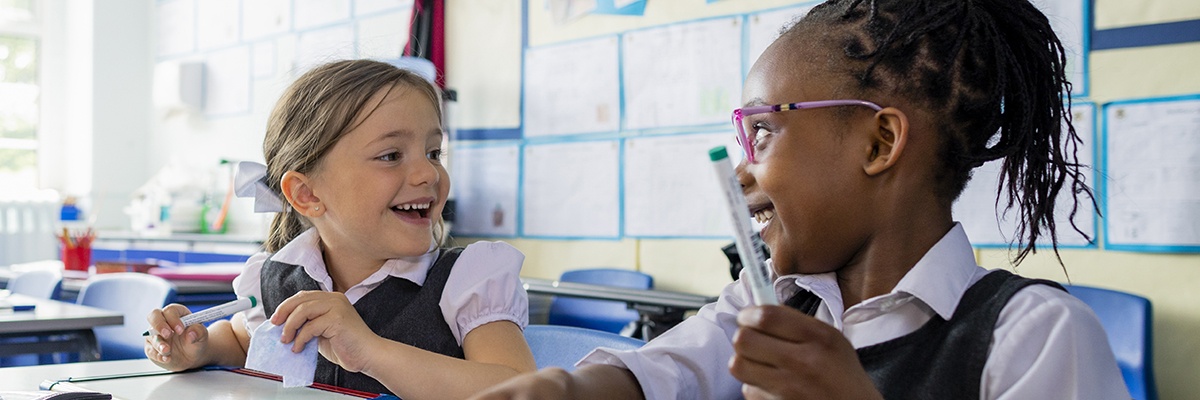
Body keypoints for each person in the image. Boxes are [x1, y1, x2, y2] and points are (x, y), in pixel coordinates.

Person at [471, 0, 1126, 399]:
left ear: (879, 142)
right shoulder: (778, 302)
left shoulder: (1031, 337)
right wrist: (569, 388)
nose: (742, 169)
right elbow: (664, 373)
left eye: (763, 132)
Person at [144, 60, 537, 399]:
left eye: (434, 153)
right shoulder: (279, 276)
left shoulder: (469, 280)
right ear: (307, 193)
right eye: (391, 156)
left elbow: (521, 389)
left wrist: (370, 351)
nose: (427, 173)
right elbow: (242, 339)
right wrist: (197, 348)